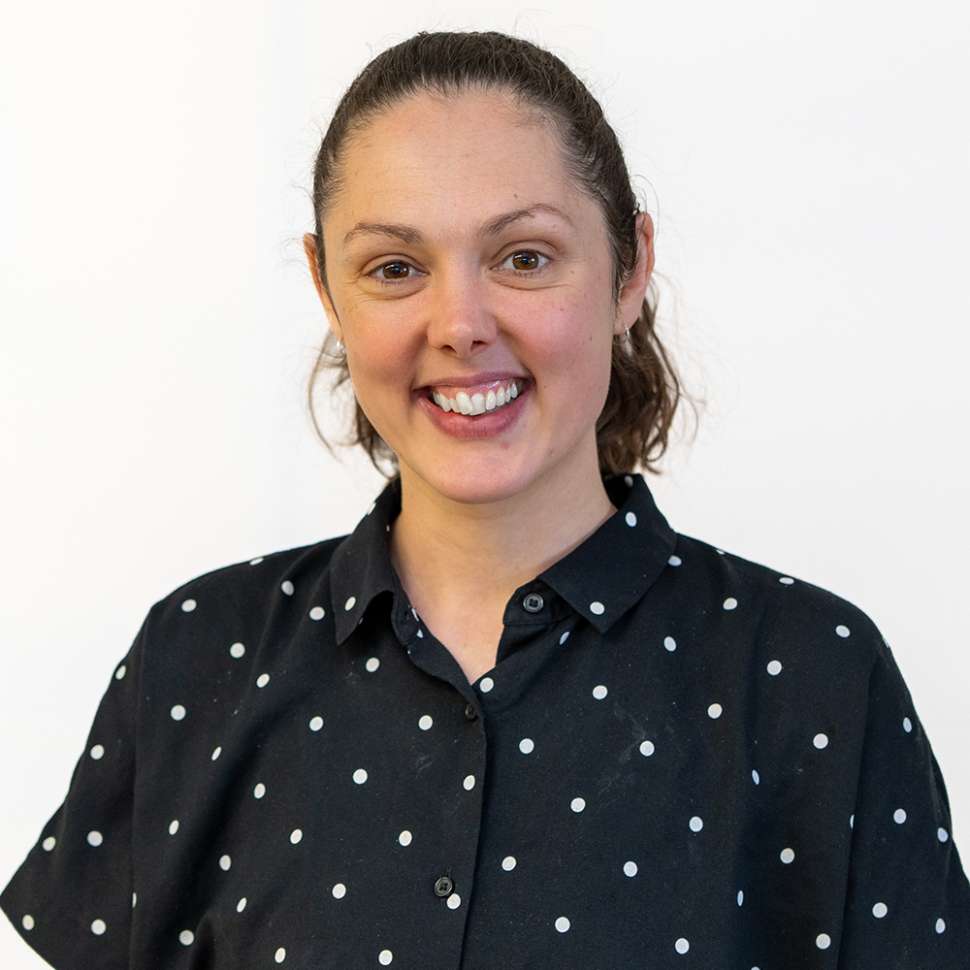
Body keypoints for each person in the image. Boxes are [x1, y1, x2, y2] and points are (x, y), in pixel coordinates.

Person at [2, 28, 968, 969]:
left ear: (630, 268)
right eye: (395, 268)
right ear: (327, 289)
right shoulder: (194, 660)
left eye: (524, 258)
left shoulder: (816, 680)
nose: (460, 324)